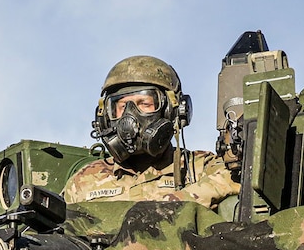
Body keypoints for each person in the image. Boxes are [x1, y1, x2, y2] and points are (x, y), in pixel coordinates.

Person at [62, 55, 239, 209]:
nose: (129, 116)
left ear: (172, 110)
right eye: (122, 106)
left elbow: (236, 179)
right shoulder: (84, 181)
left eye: (144, 104)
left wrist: (172, 203)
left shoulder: (198, 167)